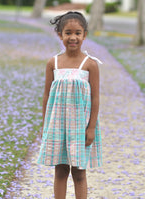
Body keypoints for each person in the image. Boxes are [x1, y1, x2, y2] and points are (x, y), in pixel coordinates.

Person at [37, 11, 102, 199]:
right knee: (61, 170)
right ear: (60, 35)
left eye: (78, 33)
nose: (73, 37)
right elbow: (47, 95)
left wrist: (91, 128)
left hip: (80, 127)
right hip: (58, 126)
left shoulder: (90, 65)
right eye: (68, 33)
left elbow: (96, 98)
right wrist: (45, 125)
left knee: (79, 172)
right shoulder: (53, 63)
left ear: (84, 35)